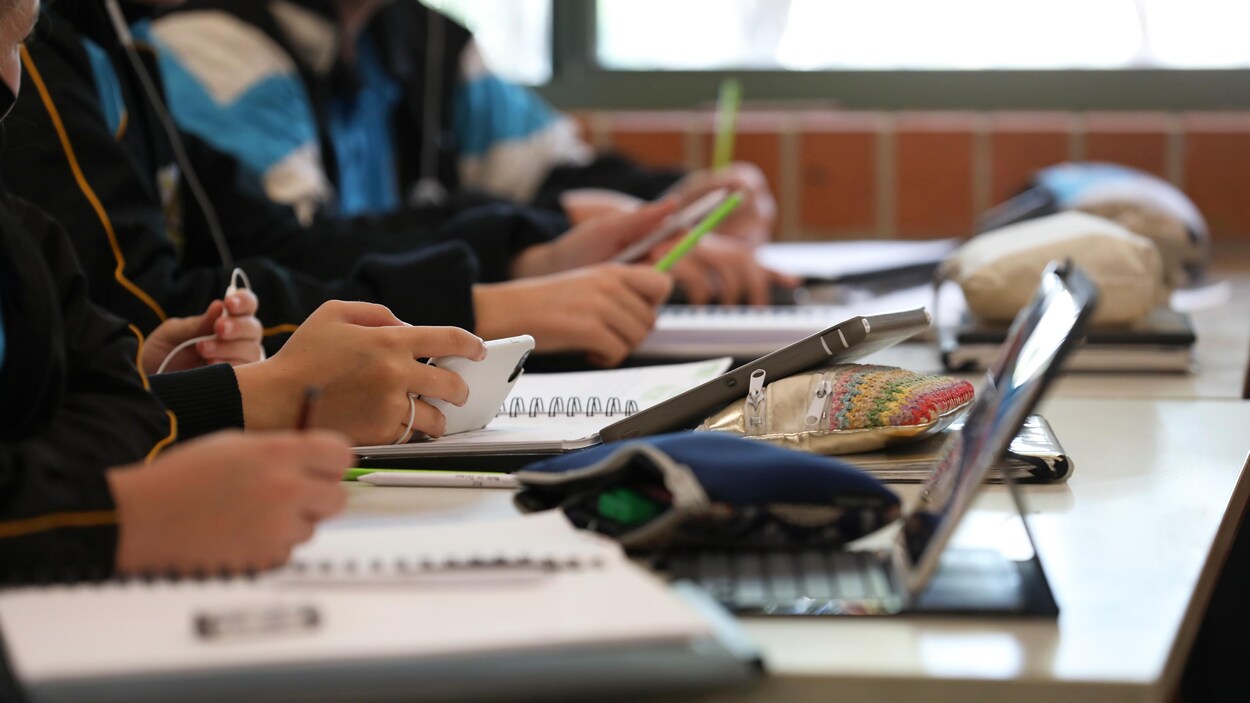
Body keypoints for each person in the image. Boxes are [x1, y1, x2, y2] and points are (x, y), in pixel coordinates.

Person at [5, 0, 677, 371]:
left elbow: (267, 242)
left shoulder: (120, 37)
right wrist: (488, 305)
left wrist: (530, 250)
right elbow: (145, 316)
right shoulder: (187, 42)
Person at [0, 0, 350, 578]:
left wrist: (147, 379)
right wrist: (124, 518)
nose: (11, 86)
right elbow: (137, 307)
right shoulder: (86, 55)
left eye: (15, 42)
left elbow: (112, 385)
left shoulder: (128, 47)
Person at [153, 0, 793, 305]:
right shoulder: (210, 46)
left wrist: (681, 201)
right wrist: (555, 227)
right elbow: (294, 253)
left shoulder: (423, 42)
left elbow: (551, 173)